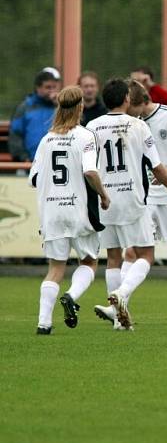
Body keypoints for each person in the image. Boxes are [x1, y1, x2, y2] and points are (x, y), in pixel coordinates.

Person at [87, 79, 167, 330]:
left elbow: (88, 168)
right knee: (146, 255)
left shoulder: (92, 126)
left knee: (113, 256)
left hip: (105, 199)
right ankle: (121, 294)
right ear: (127, 100)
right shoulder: (138, 126)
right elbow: (157, 168)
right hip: (133, 198)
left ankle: (117, 318)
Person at [28, 86, 111, 334]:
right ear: (81, 107)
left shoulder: (46, 140)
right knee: (89, 261)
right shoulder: (86, 136)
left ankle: (43, 324)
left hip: (52, 212)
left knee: (55, 268)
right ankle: (72, 296)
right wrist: (104, 195)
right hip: (78, 210)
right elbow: (89, 171)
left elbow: (34, 178)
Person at [125, 79, 167, 259]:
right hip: (147, 197)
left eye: (129, 107)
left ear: (141, 102)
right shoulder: (132, 123)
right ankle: (120, 289)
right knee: (133, 252)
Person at [9, 68, 62, 162]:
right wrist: (23, 157)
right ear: (38, 88)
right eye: (48, 87)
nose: (52, 91)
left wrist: (59, 106)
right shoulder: (25, 107)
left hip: (56, 162)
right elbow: (15, 135)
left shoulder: (61, 107)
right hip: (30, 162)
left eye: (54, 87)